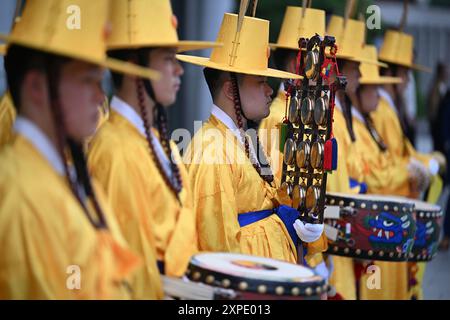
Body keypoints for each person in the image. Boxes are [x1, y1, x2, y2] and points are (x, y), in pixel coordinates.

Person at [0, 0, 160, 299]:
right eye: (88, 81)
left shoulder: (69, 176)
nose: (101, 96)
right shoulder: (19, 192)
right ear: (37, 87)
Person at [87, 0, 218, 299]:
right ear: (135, 65)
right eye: (168, 59)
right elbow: (128, 259)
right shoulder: (112, 149)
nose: (179, 71)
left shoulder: (164, 143)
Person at [178, 8, 327, 265]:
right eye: (260, 82)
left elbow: (271, 197)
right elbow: (219, 250)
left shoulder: (244, 138)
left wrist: (298, 222)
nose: (270, 90)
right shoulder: (212, 150)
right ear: (230, 90)